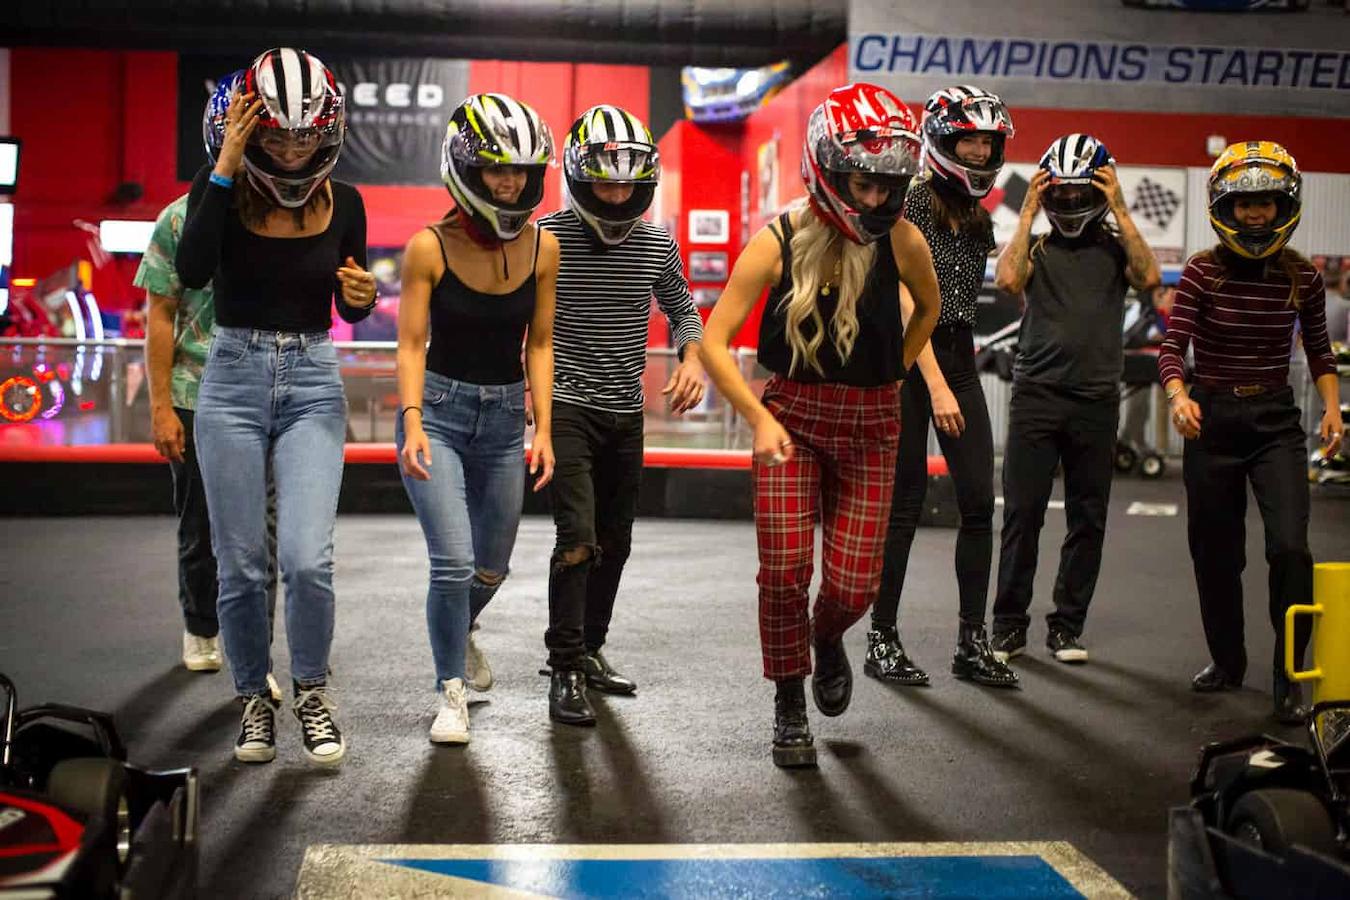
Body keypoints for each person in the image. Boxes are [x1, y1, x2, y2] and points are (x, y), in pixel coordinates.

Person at [701, 83, 940, 767]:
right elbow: (714, 342)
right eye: (862, 184)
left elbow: (929, 310)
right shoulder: (777, 239)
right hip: (792, 419)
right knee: (782, 572)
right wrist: (756, 417)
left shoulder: (905, 239)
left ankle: (826, 636)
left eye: (886, 185)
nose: (874, 199)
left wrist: (894, 370)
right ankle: (788, 703)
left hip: (872, 425)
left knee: (853, 587)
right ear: (830, 171)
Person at [176, 47, 377, 766]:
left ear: (326, 131)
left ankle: (313, 692)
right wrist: (227, 159)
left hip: (313, 378)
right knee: (240, 564)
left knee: (306, 559)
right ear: (252, 127)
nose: (291, 147)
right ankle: (254, 701)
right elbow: (193, 269)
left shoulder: (347, 202)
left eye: (304, 134)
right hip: (230, 376)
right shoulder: (218, 184)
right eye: (276, 133)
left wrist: (361, 300)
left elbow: (348, 300)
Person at [1158, 141, 1341, 724]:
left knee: (1290, 547)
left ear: (1283, 205)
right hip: (1211, 422)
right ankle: (1228, 660)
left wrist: (1333, 411)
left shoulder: (1303, 277)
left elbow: (1320, 352)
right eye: (1245, 204)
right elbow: (1170, 348)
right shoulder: (1201, 271)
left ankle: (1290, 676)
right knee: (1216, 555)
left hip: (1275, 425)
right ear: (1225, 208)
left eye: (1266, 203)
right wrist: (1178, 395)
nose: (1256, 214)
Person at [397, 93, 559, 744]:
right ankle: (450, 693)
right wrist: (410, 421)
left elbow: (540, 344)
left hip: (502, 425)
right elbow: (410, 344)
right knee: (453, 563)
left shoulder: (544, 250)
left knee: (492, 566)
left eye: (519, 169)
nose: (509, 181)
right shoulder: (426, 248)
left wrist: (543, 426)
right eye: (496, 168)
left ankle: (459, 631)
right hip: (437, 412)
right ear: (466, 169)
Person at [538, 104, 705, 726]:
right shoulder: (546, 237)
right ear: (581, 179)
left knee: (617, 541)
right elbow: (522, 322)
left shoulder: (658, 241)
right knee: (577, 539)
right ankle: (563, 667)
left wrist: (691, 358)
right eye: (605, 181)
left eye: (627, 182)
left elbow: (685, 311)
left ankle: (591, 649)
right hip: (568, 410)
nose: (616, 193)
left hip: (626, 412)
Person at [866, 85, 1018, 690]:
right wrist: (935, 382)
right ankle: (882, 637)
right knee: (903, 505)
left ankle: (971, 642)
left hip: (957, 355)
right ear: (943, 142)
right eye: (969, 140)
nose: (980, 151)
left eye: (988, 141)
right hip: (909, 359)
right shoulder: (915, 208)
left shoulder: (977, 216)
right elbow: (908, 300)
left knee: (980, 502)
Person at [990, 134, 1160, 665]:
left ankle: (1066, 628)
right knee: (1023, 515)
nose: (1068, 204)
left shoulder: (1115, 248)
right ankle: (1008, 626)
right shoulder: (1035, 247)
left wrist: (1121, 208)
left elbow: (1150, 277)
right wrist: (1027, 213)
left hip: (1094, 401)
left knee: (1088, 519)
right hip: (1036, 397)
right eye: (1058, 195)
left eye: (1076, 194)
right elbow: (1008, 278)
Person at [140, 70, 280, 698]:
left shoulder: (279, 215)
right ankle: (201, 626)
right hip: (196, 397)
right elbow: (161, 317)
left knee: (262, 532)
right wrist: (162, 408)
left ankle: (256, 649)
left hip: (262, 395)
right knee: (202, 525)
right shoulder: (178, 219)